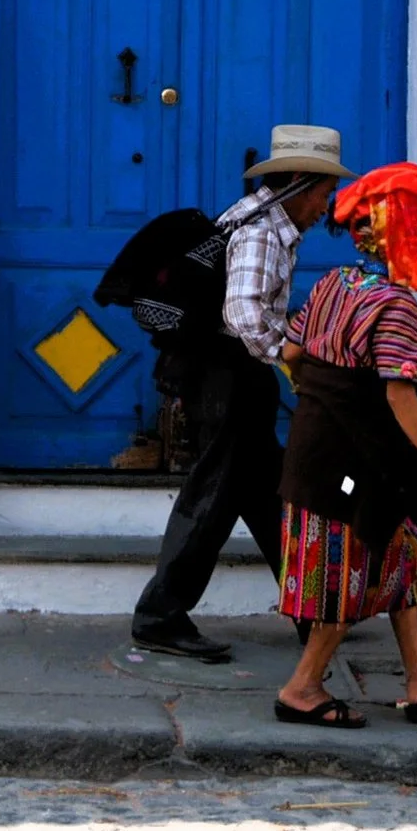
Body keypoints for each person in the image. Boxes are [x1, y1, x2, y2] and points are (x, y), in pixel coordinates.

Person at [272, 163, 417, 727]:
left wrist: (324, 394)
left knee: (398, 563)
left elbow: (291, 355)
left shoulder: (332, 284)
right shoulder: (395, 307)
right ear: (405, 234)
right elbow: (400, 396)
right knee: (346, 575)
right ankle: (301, 688)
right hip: (355, 466)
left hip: (316, 454)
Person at [130, 124, 349, 663]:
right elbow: (245, 314)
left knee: (273, 496)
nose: (327, 207)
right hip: (227, 373)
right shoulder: (261, 232)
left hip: (234, 373)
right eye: (323, 193)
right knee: (213, 497)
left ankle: (311, 607)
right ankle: (160, 615)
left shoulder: (262, 222)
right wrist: (291, 355)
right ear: (298, 182)